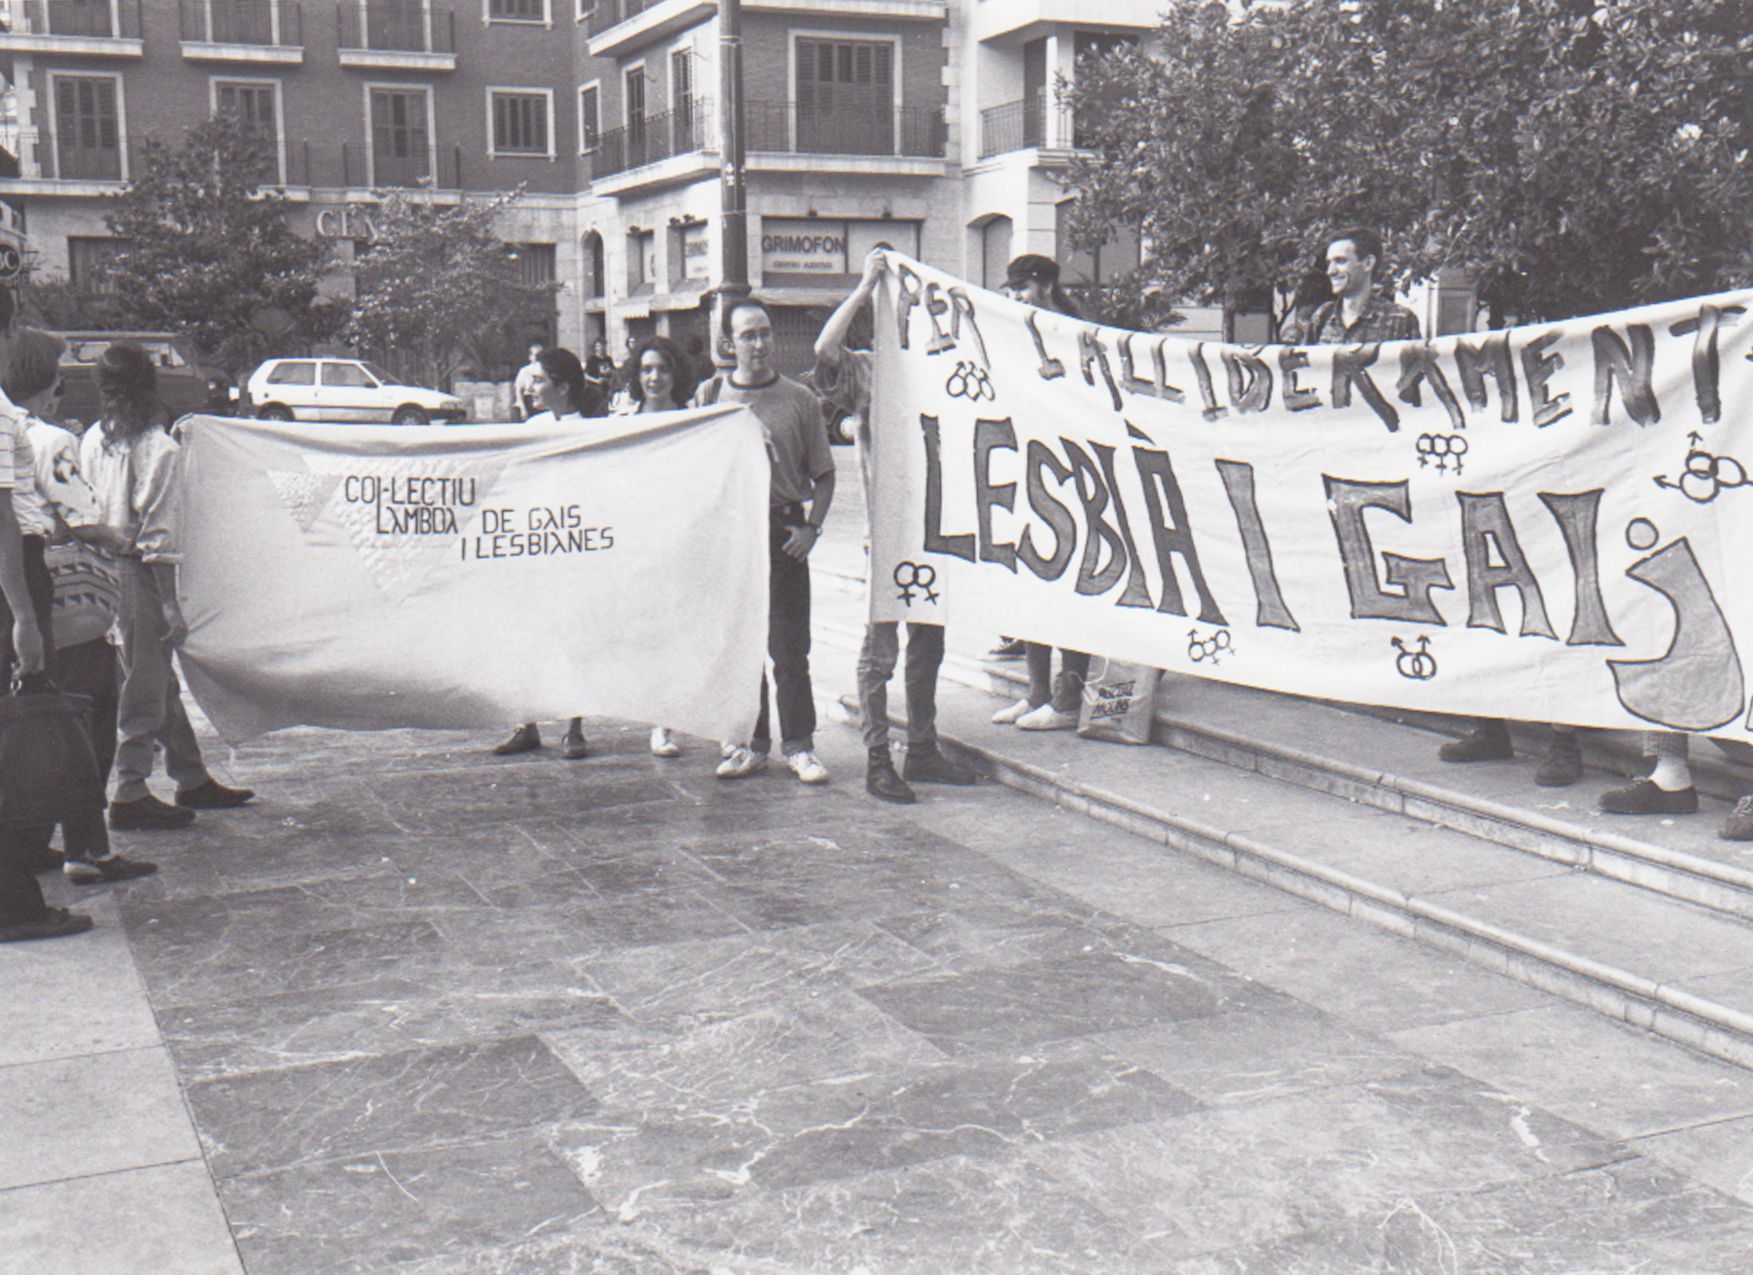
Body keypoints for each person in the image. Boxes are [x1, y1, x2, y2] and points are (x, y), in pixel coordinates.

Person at [813, 247, 977, 804]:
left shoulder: (946, 372)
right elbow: (823, 350)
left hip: (937, 531)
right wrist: (863, 289)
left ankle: (923, 748)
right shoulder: (866, 369)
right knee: (880, 651)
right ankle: (878, 757)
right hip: (888, 536)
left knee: (928, 643)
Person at [79, 342, 254, 831]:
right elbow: (157, 538)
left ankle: (191, 776)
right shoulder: (159, 447)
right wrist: (171, 604)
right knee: (145, 685)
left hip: (102, 569)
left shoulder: (96, 437)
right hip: (137, 574)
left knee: (148, 676)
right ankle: (130, 791)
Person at [4, 329, 153, 884]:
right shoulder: (48, 439)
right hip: (64, 602)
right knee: (89, 719)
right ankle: (88, 847)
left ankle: (34, 841)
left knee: (34, 723)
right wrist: (126, 540)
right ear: (47, 384)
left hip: (17, 591)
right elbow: (83, 516)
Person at [696, 298, 835, 784]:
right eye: (748, 335)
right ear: (728, 344)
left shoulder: (800, 399)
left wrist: (811, 528)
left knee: (789, 645)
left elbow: (823, 474)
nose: (759, 344)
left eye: (765, 333)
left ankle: (799, 744)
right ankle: (749, 744)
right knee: (741, 645)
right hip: (733, 532)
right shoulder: (711, 396)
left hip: (782, 532)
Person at [0, 321, 83, 941]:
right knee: (20, 732)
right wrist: (25, 616)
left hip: (22, 569)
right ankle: (14, 902)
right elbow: (4, 523)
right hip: (14, 579)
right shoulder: (3, 417)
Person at [988, 254, 1094, 732]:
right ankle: (1036, 693)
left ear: (1046, 286)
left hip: (1071, 471)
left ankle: (1067, 697)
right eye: (1011, 290)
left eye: (1023, 288)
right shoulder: (1018, 335)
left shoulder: (1076, 334)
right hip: (1028, 465)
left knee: (1069, 584)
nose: (1015, 297)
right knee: (1028, 579)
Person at [492, 346, 603, 760]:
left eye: (539, 380)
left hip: (573, 546)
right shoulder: (533, 426)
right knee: (527, 633)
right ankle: (527, 723)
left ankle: (574, 727)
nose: (531, 386)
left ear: (563, 386)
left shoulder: (593, 429)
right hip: (532, 546)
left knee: (572, 635)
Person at [617, 335, 699, 761]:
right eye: (646, 369)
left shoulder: (693, 421)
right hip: (638, 542)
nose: (654, 377)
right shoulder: (624, 421)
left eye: (662, 369)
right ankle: (658, 717)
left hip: (683, 540)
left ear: (675, 374)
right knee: (647, 635)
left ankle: (676, 720)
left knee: (681, 633)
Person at [513, 340, 545, 420]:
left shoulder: (546, 370)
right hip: (530, 400)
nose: (538, 358)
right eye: (536, 355)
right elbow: (518, 390)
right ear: (530, 357)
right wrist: (522, 408)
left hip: (543, 399)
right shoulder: (525, 371)